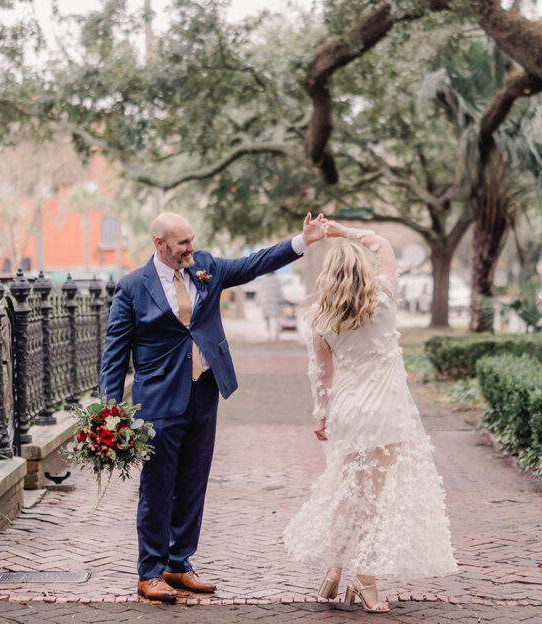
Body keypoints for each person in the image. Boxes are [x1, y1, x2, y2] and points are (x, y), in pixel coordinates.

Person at [99, 211, 327, 602]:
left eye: (192, 240)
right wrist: (110, 412)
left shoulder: (204, 266)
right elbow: (115, 352)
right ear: (159, 244)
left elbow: (252, 264)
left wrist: (301, 241)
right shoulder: (133, 287)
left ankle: (179, 563)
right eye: (182, 242)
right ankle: (149, 571)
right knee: (158, 488)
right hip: (157, 400)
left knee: (193, 483)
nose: (191, 248)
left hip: (204, 393)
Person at [283, 220, 456, 613]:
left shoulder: (321, 321)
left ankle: (335, 568)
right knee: (372, 498)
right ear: (364, 271)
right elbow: (382, 243)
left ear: (328, 277)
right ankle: (365, 579)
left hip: (347, 411)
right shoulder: (385, 298)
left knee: (350, 491)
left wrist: (321, 417)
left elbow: (322, 377)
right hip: (384, 411)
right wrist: (341, 230)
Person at [257, 273, 284, 340]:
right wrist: (282, 300)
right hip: (275, 301)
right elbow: (280, 292)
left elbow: (260, 292)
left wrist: (258, 301)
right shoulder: (277, 280)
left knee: (267, 319)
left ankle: (268, 334)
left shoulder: (264, 280)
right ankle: (276, 334)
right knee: (276, 318)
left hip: (266, 301)